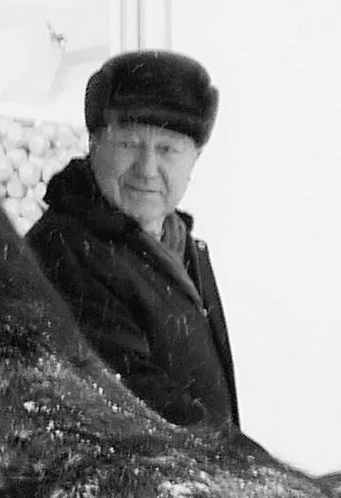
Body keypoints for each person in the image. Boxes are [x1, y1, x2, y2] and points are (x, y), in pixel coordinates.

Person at [26, 49, 239, 432]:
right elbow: (139, 407)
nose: (147, 169)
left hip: (200, 483)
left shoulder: (179, 245)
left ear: (196, 157)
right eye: (128, 144)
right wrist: (255, 471)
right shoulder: (66, 251)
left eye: (167, 149)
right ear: (94, 143)